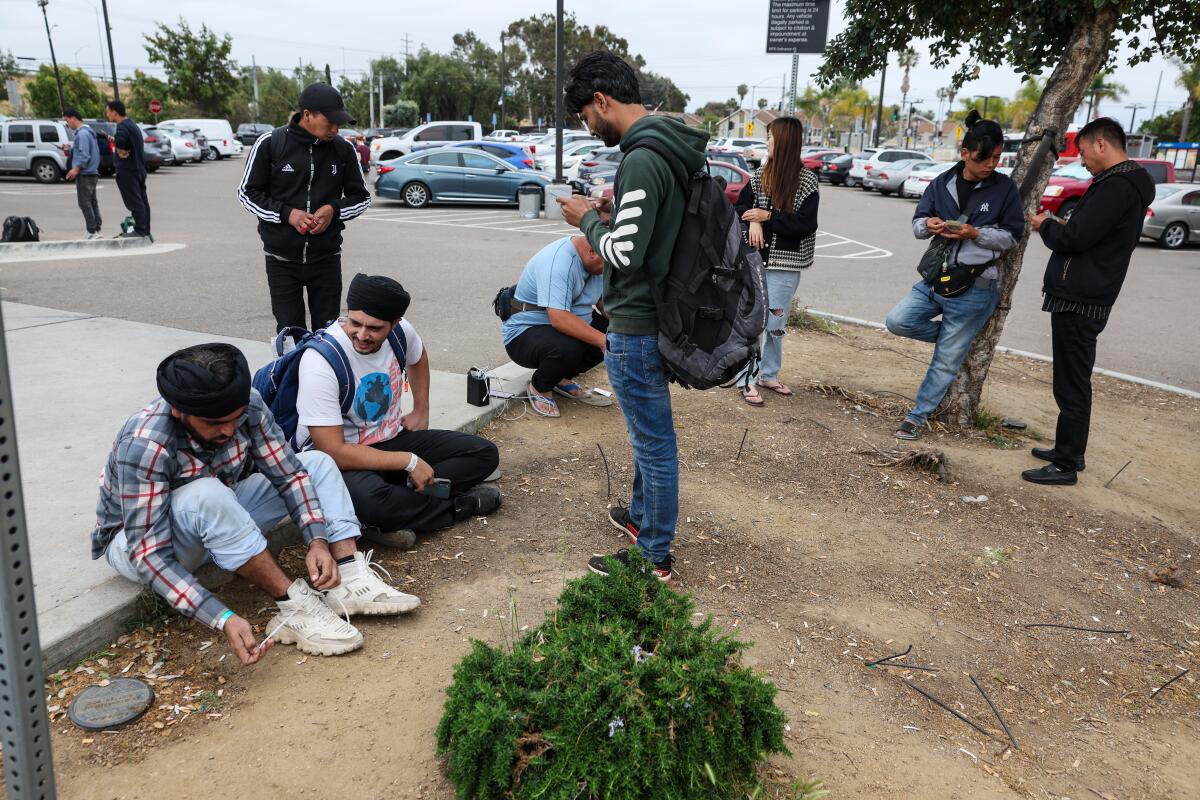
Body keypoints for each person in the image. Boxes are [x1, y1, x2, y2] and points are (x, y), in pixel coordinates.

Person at [92, 343, 421, 664]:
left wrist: (317, 539)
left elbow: (289, 476)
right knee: (205, 493)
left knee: (315, 464)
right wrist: (220, 617)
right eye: (214, 423)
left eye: (233, 419)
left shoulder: (246, 405)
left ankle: (348, 577)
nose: (228, 430)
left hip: (219, 513)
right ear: (179, 411)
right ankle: (293, 607)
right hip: (139, 545)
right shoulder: (146, 443)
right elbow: (149, 555)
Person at [557, 51, 709, 581]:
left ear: (601, 100)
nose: (588, 126)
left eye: (584, 116)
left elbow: (626, 253)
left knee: (654, 442)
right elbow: (651, 229)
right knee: (649, 433)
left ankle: (653, 557)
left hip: (639, 320)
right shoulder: (670, 146)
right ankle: (642, 518)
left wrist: (587, 222)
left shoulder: (642, 156)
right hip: (659, 313)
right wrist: (614, 213)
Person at [296, 273, 501, 548]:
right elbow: (332, 450)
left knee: (483, 453)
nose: (362, 335)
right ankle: (456, 507)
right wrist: (409, 462)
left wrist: (421, 410)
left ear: (395, 324)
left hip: (391, 439)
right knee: (371, 501)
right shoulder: (319, 362)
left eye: (374, 328)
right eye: (355, 322)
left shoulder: (402, 333)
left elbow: (419, 357)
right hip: (341, 459)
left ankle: (400, 508)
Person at [1023, 118, 1154, 485]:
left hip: (1081, 297)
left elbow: (1077, 237)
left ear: (1101, 145)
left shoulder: (1118, 187)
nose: (1081, 160)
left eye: (1082, 152)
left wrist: (1046, 225)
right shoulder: (1122, 184)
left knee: (1071, 383)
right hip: (1086, 292)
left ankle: (1065, 464)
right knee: (1072, 379)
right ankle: (1070, 451)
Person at [885, 111, 1024, 440]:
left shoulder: (1004, 189)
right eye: (983, 158)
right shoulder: (941, 183)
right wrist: (928, 225)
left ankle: (916, 417)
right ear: (965, 153)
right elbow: (918, 224)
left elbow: (1012, 237)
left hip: (976, 286)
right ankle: (953, 341)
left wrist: (976, 234)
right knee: (897, 321)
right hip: (934, 278)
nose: (991, 164)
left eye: (996, 157)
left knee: (945, 361)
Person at [238, 83, 371, 333]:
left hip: (327, 258)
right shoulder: (270, 143)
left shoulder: (343, 149)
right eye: (329, 121)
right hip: (281, 259)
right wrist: (287, 213)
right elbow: (247, 193)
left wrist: (334, 210)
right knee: (290, 334)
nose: (335, 128)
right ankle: (293, 373)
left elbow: (361, 197)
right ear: (307, 114)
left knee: (328, 333)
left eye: (338, 122)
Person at [732, 116, 820, 406]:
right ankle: (747, 378)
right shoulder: (760, 175)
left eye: (770, 137)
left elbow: (805, 225)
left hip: (786, 266)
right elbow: (741, 207)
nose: (767, 141)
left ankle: (768, 374)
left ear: (784, 141)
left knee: (776, 324)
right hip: (756, 261)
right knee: (752, 323)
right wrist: (754, 222)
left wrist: (767, 218)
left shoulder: (806, 181)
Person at [502, 236, 613, 417]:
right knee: (572, 347)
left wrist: (625, 327)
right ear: (593, 251)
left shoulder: (599, 259)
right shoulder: (558, 261)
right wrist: (603, 341)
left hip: (565, 322)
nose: (609, 270)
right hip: (525, 332)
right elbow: (559, 319)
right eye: (607, 265)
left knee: (615, 335)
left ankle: (560, 379)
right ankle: (540, 386)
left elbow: (602, 301)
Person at [106, 100, 151, 239]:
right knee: (142, 201)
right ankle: (145, 229)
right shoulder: (132, 124)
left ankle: (140, 230)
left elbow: (121, 142)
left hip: (128, 170)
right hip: (138, 169)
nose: (108, 115)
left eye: (108, 112)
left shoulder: (122, 126)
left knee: (134, 201)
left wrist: (115, 141)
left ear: (114, 112)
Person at [62, 108, 102, 239]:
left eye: (67, 120)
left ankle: (92, 232)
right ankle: (96, 229)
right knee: (92, 202)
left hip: (85, 173)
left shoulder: (82, 134)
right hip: (92, 172)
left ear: (73, 118)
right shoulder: (88, 132)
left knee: (84, 203)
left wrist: (76, 169)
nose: (67, 124)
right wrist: (70, 148)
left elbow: (84, 155)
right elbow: (83, 150)